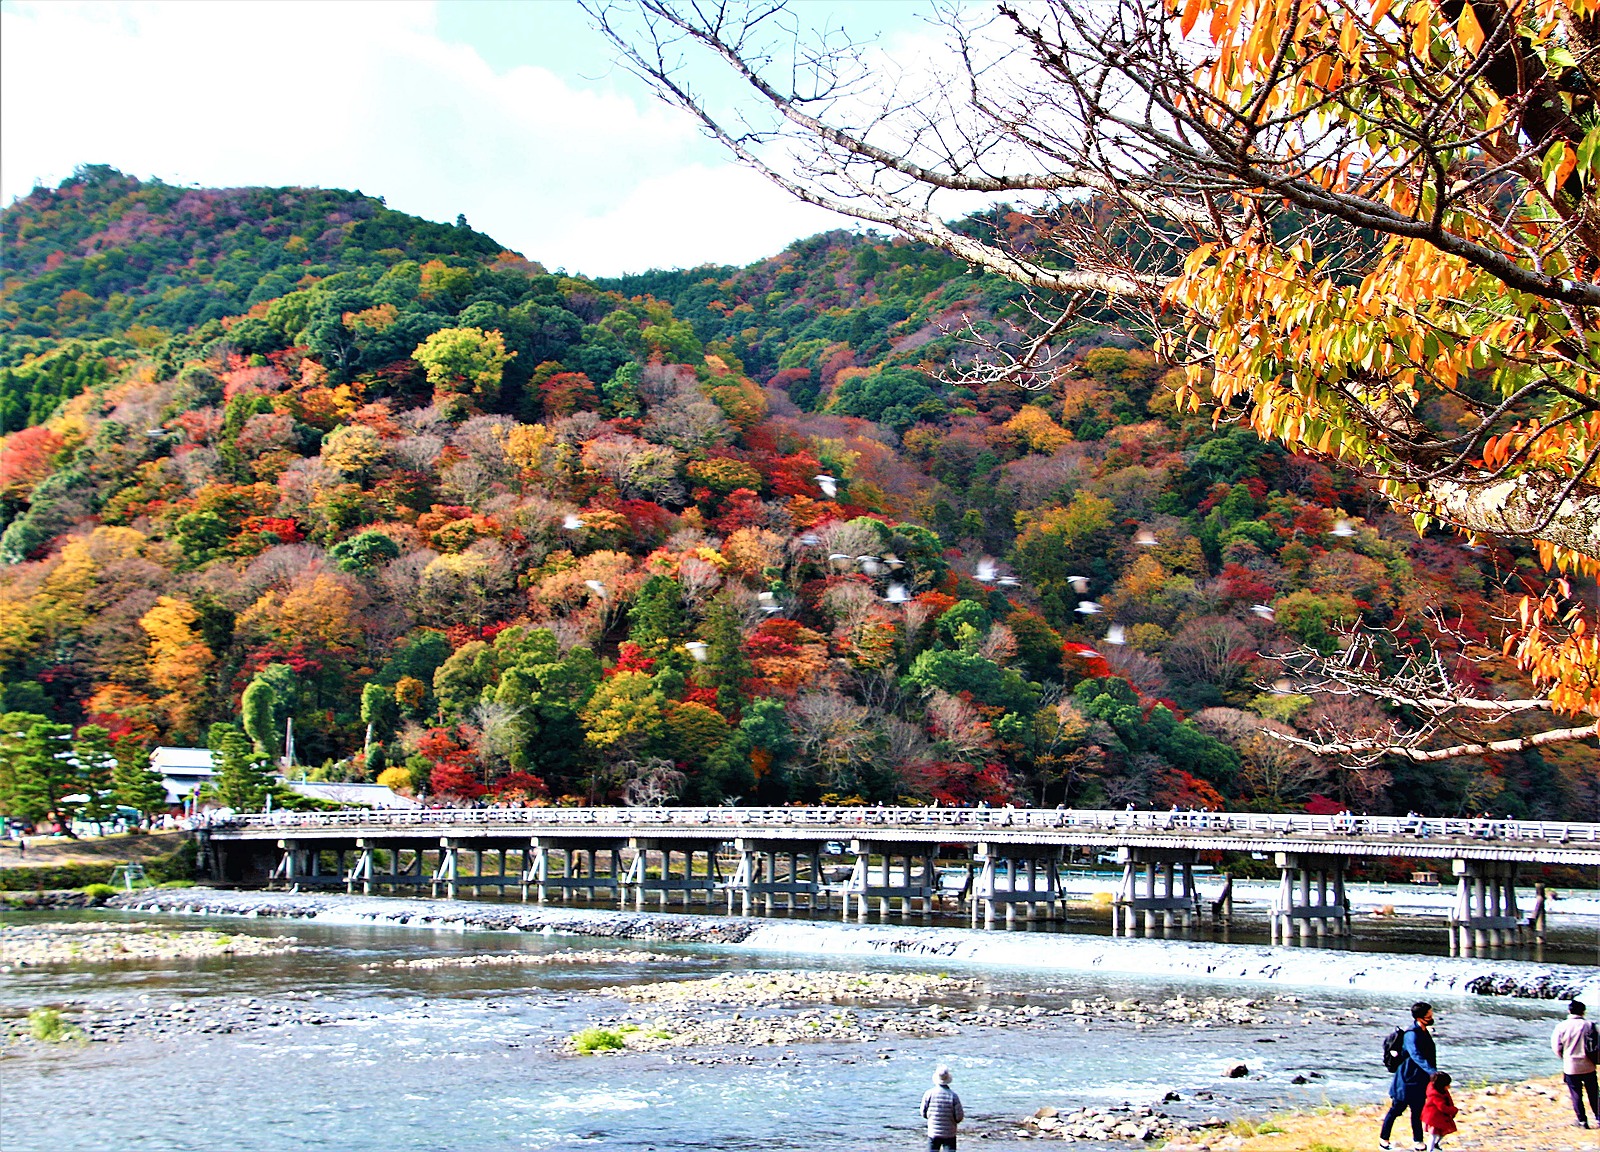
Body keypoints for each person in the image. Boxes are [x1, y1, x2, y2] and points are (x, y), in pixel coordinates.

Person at [1380, 1002, 1438, 1150]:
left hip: (1420, 1079)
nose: (1432, 1018)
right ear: (1420, 1018)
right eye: (1429, 1016)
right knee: (1396, 1109)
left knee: (1417, 1110)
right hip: (1406, 1079)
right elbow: (1416, 1055)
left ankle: (1418, 1141)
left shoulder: (1424, 1031)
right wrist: (1432, 1072)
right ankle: (1384, 1140)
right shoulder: (1411, 1034)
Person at [1552, 999, 1600, 1128]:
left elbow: (1556, 1047)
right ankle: (1599, 1117)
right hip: (1589, 1065)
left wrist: (1564, 1057)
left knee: (1576, 1093)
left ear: (1569, 1011)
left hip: (1571, 1066)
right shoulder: (1590, 1025)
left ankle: (1582, 1121)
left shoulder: (1561, 1026)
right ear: (1583, 1012)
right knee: (1594, 1092)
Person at [920, 1065, 964, 1151]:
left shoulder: (928, 1094)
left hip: (933, 1132)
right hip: (949, 1133)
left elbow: (923, 1113)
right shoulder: (953, 1096)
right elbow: (959, 1117)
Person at [1421, 1072, 1457, 1150]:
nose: (1449, 1087)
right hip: (1433, 1118)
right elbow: (1442, 1107)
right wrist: (1453, 1110)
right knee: (1433, 1135)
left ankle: (1435, 1144)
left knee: (1443, 1131)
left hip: (1440, 1117)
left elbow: (1448, 1100)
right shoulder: (1435, 1095)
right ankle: (1430, 1149)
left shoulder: (1441, 1090)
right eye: (1447, 1085)